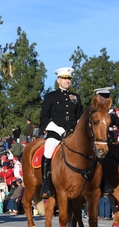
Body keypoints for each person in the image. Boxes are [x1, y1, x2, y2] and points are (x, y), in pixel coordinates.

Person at [40, 67, 83, 198]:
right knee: (48, 151)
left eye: (69, 78)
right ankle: (46, 183)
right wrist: (57, 128)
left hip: (73, 134)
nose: (67, 81)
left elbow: (80, 116)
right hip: (56, 134)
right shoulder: (50, 96)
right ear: (58, 80)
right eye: (64, 78)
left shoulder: (76, 97)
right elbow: (44, 118)